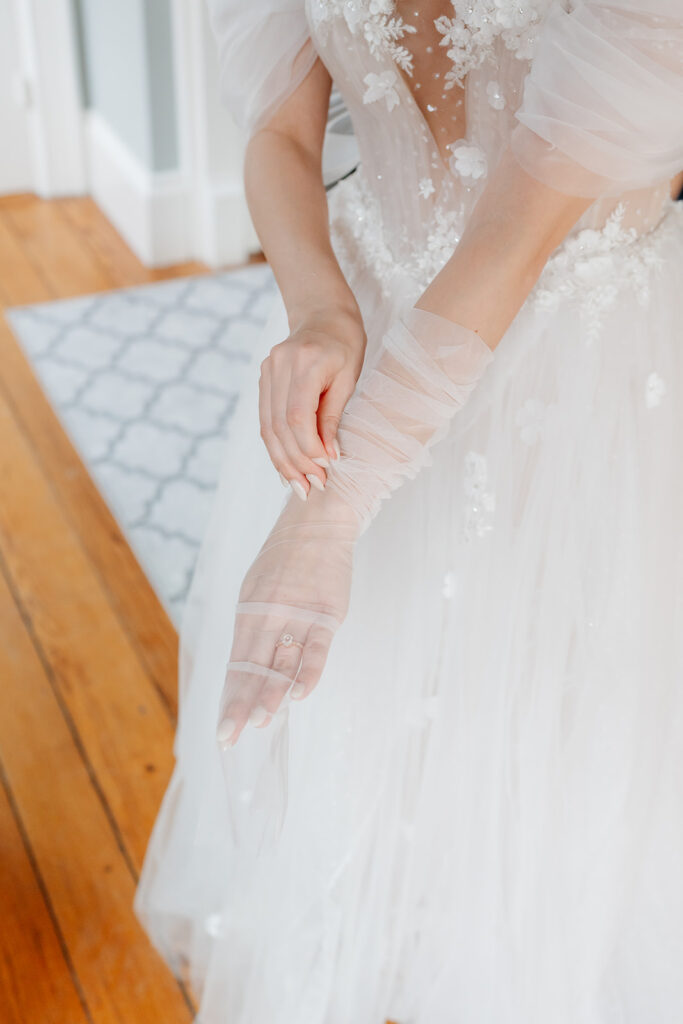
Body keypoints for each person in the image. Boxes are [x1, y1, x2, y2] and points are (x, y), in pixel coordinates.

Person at [135, 2, 683, 1021]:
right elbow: (280, 131)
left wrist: (328, 515)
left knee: (547, 750)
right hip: (366, 307)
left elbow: (513, 243)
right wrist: (318, 308)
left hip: (574, 376)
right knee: (371, 731)